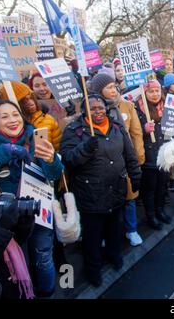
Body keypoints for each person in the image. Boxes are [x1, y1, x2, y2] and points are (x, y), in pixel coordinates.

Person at [59, 95, 141, 287]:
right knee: (93, 237)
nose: (98, 111)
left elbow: (129, 154)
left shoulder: (116, 127)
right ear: (84, 111)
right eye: (93, 108)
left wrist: (135, 176)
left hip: (116, 191)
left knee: (114, 229)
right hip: (91, 194)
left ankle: (114, 255)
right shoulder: (75, 131)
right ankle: (93, 269)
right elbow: (68, 160)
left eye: (101, 107)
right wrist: (85, 149)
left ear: (106, 108)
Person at [0, 100, 63, 297]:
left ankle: (47, 290)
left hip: (39, 212)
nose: (12, 120)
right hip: (8, 222)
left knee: (44, 257)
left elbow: (54, 175)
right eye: (4, 116)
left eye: (15, 114)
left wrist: (51, 160)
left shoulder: (35, 136)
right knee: (17, 264)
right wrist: (1, 154)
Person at [90, 73, 145, 247]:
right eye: (109, 88)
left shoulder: (127, 105)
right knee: (106, 201)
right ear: (99, 91)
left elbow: (136, 134)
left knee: (129, 198)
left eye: (114, 86)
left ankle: (131, 229)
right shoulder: (92, 109)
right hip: (102, 163)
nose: (114, 90)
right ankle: (107, 233)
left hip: (124, 160)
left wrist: (138, 157)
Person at [136, 80, 171, 230]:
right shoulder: (138, 110)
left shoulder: (168, 107)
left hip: (165, 154)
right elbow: (132, 132)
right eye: (151, 91)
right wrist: (144, 129)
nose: (155, 94)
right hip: (149, 155)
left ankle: (160, 210)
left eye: (157, 90)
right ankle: (151, 216)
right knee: (150, 189)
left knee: (162, 187)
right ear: (145, 93)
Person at [0, 82, 62, 152]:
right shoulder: (10, 127)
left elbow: (52, 151)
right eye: (24, 101)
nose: (31, 103)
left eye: (31, 98)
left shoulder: (46, 119)